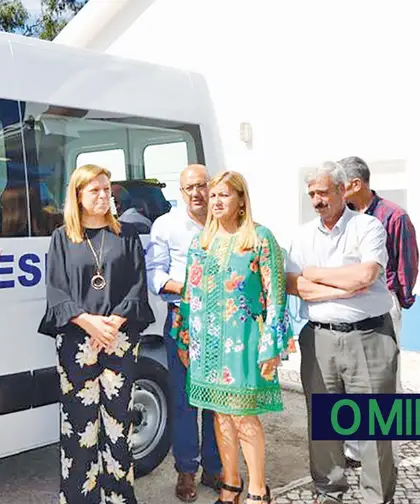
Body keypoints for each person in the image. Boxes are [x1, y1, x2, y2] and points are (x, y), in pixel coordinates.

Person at [171, 170, 293, 504]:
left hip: (244, 342)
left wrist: (272, 345)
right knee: (220, 415)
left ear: (241, 200)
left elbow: (276, 295)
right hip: (206, 345)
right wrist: (183, 338)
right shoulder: (202, 242)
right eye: (213, 195)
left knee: (242, 415)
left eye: (224, 194)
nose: (216, 201)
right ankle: (230, 485)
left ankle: (256, 488)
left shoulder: (259, 238)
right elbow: (188, 293)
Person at [37, 164, 155, 504]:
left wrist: (113, 323)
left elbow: (137, 287)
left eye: (106, 189)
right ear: (78, 196)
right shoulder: (62, 237)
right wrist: (88, 322)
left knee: (118, 426)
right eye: (95, 190)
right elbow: (57, 292)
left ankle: (119, 497)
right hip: (77, 341)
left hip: (119, 340)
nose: (104, 195)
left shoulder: (127, 235)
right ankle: (79, 498)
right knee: (78, 427)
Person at [286, 161, 398, 504]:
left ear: (341, 190)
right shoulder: (303, 234)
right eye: (312, 194)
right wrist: (343, 287)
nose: (318, 200)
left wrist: (316, 274)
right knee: (323, 421)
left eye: (323, 192)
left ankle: (377, 497)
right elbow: (292, 283)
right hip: (319, 337)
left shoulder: (368, 226)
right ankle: (329, 490)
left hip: (369, 337)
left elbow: (365, 275)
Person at [145, 164, 222, 502]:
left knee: (218, 398)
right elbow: (156, 277)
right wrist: (192, 290)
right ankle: (186, 471)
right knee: (185, 399)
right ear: (181, 191)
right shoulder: (166, 225)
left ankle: (215, 468)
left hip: (223, 322)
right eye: (189, 187)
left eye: (202, 186)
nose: (196, 193)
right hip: (183, 320)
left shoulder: (226, 222)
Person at [340, 155, 419, 465]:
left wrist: (398, 300)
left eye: (339, 185)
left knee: (385, 381)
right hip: (347, 307)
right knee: (350, 380)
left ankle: (388, 454)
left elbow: (406, 264)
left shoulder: (394, 217)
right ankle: (354, 451)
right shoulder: (341, 217)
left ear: (356, 184)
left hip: (383, 305)